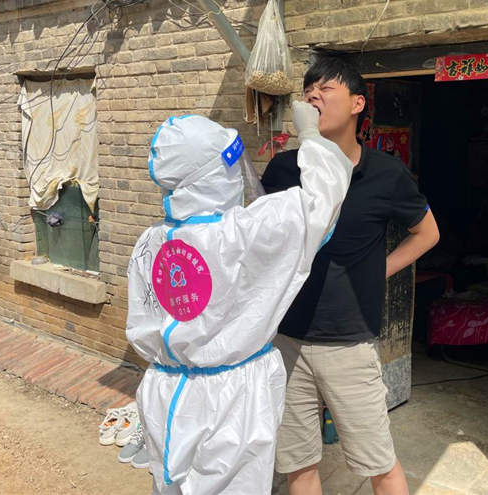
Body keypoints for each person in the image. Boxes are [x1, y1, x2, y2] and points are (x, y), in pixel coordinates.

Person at [126, 101, 352, 494]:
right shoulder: (246, 232)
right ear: (215, 174)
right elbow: (323, 198)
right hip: (233, 400)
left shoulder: (150, 242)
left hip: (166, 394)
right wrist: (312, 136)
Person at [261, 57, 440, 495]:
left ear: (358, 103)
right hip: (285, 340)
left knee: (379, 463)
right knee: (298, 464)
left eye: (325, 89)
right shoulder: (283, 170)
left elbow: (427, 233)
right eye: (308, 92)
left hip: (349, 342)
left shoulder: (386, 174)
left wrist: (380, 269)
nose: (313, 97)